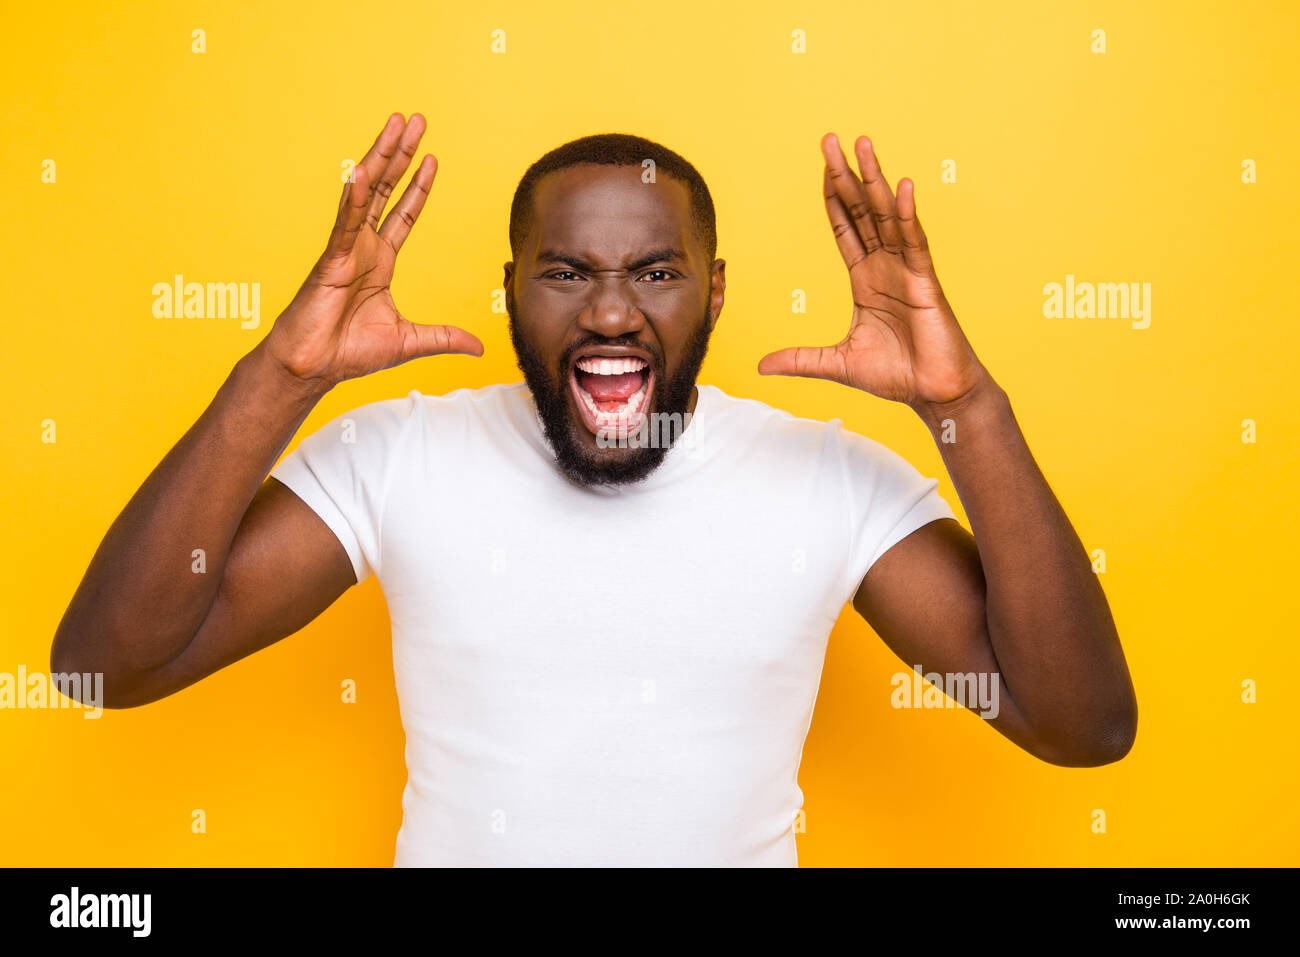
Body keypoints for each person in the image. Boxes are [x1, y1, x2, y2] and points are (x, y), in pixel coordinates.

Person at [52, 112, 1137, 867]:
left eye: (655, 272)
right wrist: (278, 379)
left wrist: (967, 408)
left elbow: (1077, 725)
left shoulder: (829, 479)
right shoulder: (399, 456)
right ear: (512, 289)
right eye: (567, 271)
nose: (611, 314)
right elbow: (107, 668)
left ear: (713, 292)